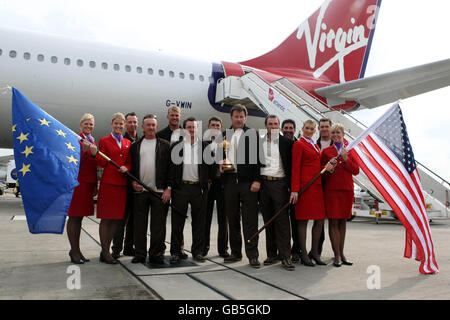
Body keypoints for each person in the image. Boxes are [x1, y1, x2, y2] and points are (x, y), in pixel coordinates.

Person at [220, 105, 261, 268]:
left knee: (250, 221)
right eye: (236, 116)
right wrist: (220, 165)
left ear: (245, 118)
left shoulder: (252, 134)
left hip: (247, 184)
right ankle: (236, 253)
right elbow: (219, 157)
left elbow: (258, 159)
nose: (238, 119)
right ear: (231, 118)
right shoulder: (224, 135)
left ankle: (253, 255)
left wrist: (257, 180)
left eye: (241, 116)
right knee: (233, 219)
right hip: (230, 182)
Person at [291, 119, 334, 267]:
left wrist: (326, 167)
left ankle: (314, 252)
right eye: (307, 128)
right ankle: (303, 253)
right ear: (302, 129)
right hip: (305, 187)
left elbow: (317, 165)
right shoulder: (299, 144)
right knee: (303, 220)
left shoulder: (315, 146)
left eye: (312, 129)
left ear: (315, 131)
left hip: (316, 187)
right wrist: (295, 189)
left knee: (320, 219)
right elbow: (295, 168)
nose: (309, 131)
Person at [130, 114, 171, 264]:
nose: (151, 128)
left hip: (159, 192)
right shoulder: (135, 146)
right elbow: (132, 168)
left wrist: (168, 189)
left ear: (156, 126)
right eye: (148, 125)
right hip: (141, 192)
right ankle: (140, 254)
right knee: (139, 225)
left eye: (153, 125)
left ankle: (156, 254)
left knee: (158, 227)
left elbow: (171, 169)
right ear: (143, 127)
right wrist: (132, 183)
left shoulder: (165, 145)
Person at [168, 117, 210, 264]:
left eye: (194, 127)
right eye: (189, 127)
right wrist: (170, 187)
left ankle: (197, 252)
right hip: (180, 188)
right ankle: (175, 251)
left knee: (199, 223)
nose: (191, 130)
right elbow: (171, 170)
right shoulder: (176, 147)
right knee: (177, 222)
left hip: (198, 189)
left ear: (198, 129)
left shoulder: (205, 147)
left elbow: (211, 168)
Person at [95, 112, 132, 264]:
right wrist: (94, 154)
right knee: (106, 219)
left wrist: (126, 167)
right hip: (109, 185)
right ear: (112, 124)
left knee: (116, 221)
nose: (118, 126)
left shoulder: (127, 143)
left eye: (121, 124)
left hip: (121, 186)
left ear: (124, 126)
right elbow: (101, 162)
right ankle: (105, 252)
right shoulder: (104, 141)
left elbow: (130, 162)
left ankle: (106, 251)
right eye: (116, 123)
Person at [260, 115, 295, 271]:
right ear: (266, 125)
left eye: (275, 124)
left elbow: (292, 167)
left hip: (280, 184)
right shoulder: (259, 142)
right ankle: (271, 254)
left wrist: (292, 187)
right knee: (268, 221)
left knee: (282, 222)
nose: (273, 126)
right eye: (270, 124)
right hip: (264, 184)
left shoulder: (287, 143)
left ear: (279, 126)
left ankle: (285, 256)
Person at [321, 123, 359, 267]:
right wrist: (328, 168)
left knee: (343, 222)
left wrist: (347, 158)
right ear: (330, 135)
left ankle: (342, 253)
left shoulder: (350, 150)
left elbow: (356, 171)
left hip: (346, 190)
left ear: (343, 134)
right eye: (333, 133)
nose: (335, 135)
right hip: (332, 191)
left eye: (338, 132)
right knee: (333, 222)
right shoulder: (326, 152)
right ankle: (336, 255)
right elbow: (322, 174)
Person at [66, 113, 98, 264]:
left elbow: (93, 165)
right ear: (81, 125)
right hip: (78, 183)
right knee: (74, 216)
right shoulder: (76, 140)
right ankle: (74, 251)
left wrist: (95, 184)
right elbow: (70, 160)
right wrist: (84, 151)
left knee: (80, 218)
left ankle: (76, 250)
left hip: (88, 183)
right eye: (86, 124)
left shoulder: (92, 140)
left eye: (91, 124)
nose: (89, 126)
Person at [112, 112, 139, 259]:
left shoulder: (140, 140)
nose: (132, 124)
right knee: (121, 220)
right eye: (130, 122)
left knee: (134, 221)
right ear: (125, 124)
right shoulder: (123, 141)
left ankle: (129, 247)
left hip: (138, 186)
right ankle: (116, 249)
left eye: (135, 122)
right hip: (125, 186)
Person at [203, 116, 229, 258]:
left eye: (217, 125)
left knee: (223, 218)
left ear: (221, 127)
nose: (215, 127)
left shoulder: (226, 144)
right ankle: (204, 247)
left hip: (222, 185)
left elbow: (232, 162)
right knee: (205, 218)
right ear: (208, 127)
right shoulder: (202, 144)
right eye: (212, 125)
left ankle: (223, 248)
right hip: (208, 185)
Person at [281, 118, 300, 262]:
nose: (288, 130)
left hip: (295, 189)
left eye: (290, 128)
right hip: (281, 187)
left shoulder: (298, 144)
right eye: (285, 128)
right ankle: (281, 251)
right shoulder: (278, 143)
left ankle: (296, 250)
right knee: (282, 221)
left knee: (295, 221)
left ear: (294, 129)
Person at [316, 118, 333, 257]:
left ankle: (337, 253)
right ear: (318, 128)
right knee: (319, 219)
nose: (324, 129)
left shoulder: (338, 145)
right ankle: (317, 250)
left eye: (327, 126)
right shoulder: (314, 144)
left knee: (334, 221)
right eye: (322, 126)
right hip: (317, 185)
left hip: (332, 185)